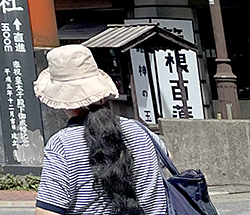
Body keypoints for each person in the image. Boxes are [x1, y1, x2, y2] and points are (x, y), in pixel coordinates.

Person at [34, 45, 168, 215]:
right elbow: (167, 157)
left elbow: (47, 211)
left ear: (61, 101)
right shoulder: (139, 130)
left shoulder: (62, 145)